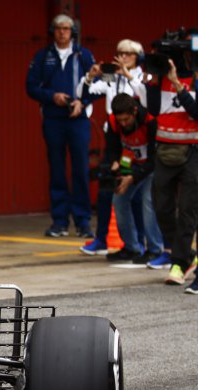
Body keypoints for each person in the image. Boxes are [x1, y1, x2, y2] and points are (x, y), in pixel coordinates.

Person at [77, 39, 153, 256]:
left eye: (129, 53)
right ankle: (101, 239)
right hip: (114, 137)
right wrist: (90, 76)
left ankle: (138, 242)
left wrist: (128, 75)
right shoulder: (112, 77)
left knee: (136, 194)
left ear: (138, 57)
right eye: (120, 53)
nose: (123, 57)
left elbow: (146, 99)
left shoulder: (143, 77)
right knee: (106, 189)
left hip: (137, 137)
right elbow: (85, 94)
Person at [26, 14, 96, 238]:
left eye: (66, 28)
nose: (62, 32)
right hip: (53, 119)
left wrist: (82, 102)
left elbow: (98, 84)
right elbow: (31, 86)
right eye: (58, 28)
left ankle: (83, 222)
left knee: (81, 170)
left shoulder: (83, 55)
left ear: (72, 32)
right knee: (56, 169)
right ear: (52, 31)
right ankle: (59, 221)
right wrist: (51, 96)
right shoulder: (43, 56)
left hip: (78, 120)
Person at [149, 59, 198, 287]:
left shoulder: (195, 78)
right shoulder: (159, 79)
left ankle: (178, 263)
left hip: (193, 151)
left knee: (188, 209)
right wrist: (151, 81)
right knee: (161, 207)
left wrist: (178, 84)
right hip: (165, 150)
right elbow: (151, 109)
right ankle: (187, 254)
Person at [102, 94, 164, 264]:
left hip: (152, 166)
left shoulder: (150, 121)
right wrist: (115, 164)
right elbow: (113, 147)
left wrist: (132, 178)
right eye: (120, 120)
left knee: (148, 203)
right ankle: (131, 247)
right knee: (119, 200)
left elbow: (154, 158)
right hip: (129, 162)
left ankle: (155, 249)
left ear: (134, 112)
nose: (123, 124)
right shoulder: (113, 122)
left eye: (126, 119)